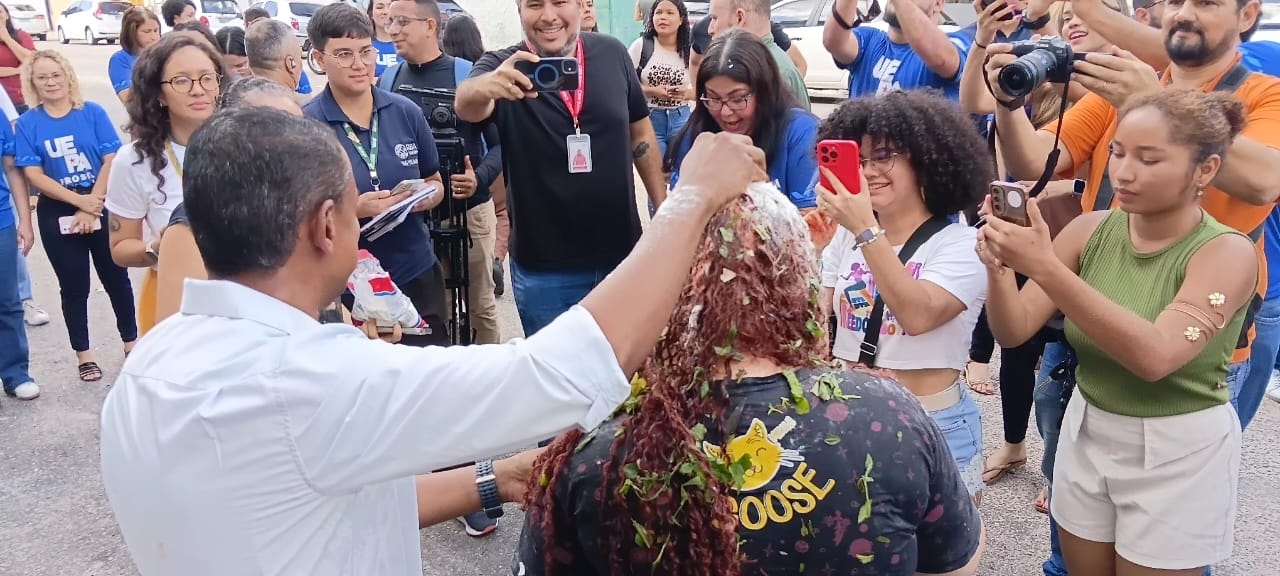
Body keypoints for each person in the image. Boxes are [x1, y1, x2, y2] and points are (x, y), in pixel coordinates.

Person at [99, 103, 769, 575]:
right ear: (326, 227)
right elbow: (563, 371)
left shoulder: (156, 358)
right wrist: (692, 198)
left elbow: (328, 499)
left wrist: (498, 478)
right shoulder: (304, 380)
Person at [513, 182, 985, 576]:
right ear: (800, 282)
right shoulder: (890, 416)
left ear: (667, 290)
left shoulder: (598, 449)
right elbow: (955, 563)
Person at [980, 88, 1255, 576]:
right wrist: (1000, 268)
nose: (1123, 172)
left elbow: (1156, 357)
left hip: (1177, 448)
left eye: (1149, 159)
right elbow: (1014, 330)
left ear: (1205, 169)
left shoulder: (1226, 252)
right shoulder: (1090, 229)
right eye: (1118, 153)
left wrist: (1045, 267)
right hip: (1089, 426)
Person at [985, 0, 1280, 434]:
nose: (1183, 13)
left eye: (1205, 2)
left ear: (1248, 15)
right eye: (1174, 1)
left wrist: (1153, 102)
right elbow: (1033, 159)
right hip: (1093, 310)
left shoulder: (1263, 94)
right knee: (1064, 440)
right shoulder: (1126, 88)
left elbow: (1264, 180)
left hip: (1200, 343)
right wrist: (1008, 103)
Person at [816, 90, 991, 501]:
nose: (868, 171)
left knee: (940, 544)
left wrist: (864, 228)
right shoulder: (845, 235)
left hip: (933, 423)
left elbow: (918, 314)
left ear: (927, 158)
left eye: (883, 156)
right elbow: (816, 319)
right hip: (851, 418)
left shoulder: (962, 244)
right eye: (859, 160)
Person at [456, 0, 666, 337]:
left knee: (625, 364)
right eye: (535, 4)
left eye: (559, 2)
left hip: (621, 257)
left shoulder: (612, 53)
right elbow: (466, 104)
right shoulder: (503, 67)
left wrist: (662, 208)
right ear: (519, 9)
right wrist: (486, 86)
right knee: (555, 368)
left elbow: (640, 132)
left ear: (580, 5)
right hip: (544, 272)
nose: (549, 16)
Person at [303, 3, 451, 346]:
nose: (359, 64)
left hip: (416, 271)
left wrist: (421, 197)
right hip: (348, 284)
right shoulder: (307, 125)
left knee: (430, 368)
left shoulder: (405, 111)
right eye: (344, 54)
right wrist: (354, 210)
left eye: (365, 51)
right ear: (319, 59)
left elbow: (435, 181)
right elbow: (297, 216)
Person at [380, 0, 503, 352]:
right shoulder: (388, 80)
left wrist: (479, 178)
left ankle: (489, 373)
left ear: (430, 25)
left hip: (471, 213)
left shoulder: (468, 76)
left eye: (402, 21)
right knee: (436, 311)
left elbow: (501, 145)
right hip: (416, 222)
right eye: (390, 22)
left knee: (480, 307)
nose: (393, 30)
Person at [16, 50, 137, 383]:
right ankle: (84, 355)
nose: (51, 82)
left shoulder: (92, 112)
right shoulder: (28, 123)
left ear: (67, 76)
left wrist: (91, 202)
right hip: (58, 209)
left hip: (100, 200)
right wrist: (78, 203)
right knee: (74, 286)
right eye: (42, 77)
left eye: (56, 74)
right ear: (33, 83)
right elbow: (33, 174)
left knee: (117, 278)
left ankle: (131, 343)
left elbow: (111, 158)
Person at [155, 77, 304, 325]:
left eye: (300, 130)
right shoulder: (193, 228)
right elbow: (178, 337)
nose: (295, 144)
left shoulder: (305, 207)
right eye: (273, 130)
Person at [106, 34, 224, 337]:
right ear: (158, 94)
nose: (198, 89)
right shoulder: (133, 161)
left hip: (244, 294)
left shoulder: (247, 144)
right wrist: (158, 248)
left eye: (207, 78)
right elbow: (120, 248)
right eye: (182, 81)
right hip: (175, 299)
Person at [667, 30, 817, 210]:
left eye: (737, 99)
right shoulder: (698, 132)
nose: (725, 112)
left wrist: (760, 195)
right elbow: (677, 210)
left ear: (765, 93)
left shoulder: (802, 133)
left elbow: (813, 220)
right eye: (713, 98)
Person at [824, 0, 983, 100]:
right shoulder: (870, 39)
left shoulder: (956, 44)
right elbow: (834, 42)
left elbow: (942, 59)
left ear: (938, 3)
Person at [705, 0, 810, 111]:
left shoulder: (770, 73)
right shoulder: (768, 65)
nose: (710, 29)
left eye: (714, 18)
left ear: (739, 18)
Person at [629, 0, 694, 161]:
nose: (662, 17)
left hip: (682, 119)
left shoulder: (690, 50)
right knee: (657, 172)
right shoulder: (641, 46)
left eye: (669, 13)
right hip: (650, 119)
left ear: (681, 20)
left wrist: (686, 93)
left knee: (682, 171)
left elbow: (702, 91)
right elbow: (626, 85)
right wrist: (652, 91)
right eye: (658, 13)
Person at [0, 86, 33, 404]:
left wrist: (24, 218)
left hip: (1, 221)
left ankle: (16, 374)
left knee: (8, 301)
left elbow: (11, 167)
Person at [689, 13, 807, 81]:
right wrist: (698, 93)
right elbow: (694, 62)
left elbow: (800, 63)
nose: (710, 29)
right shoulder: (701, 28)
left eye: (716, 19)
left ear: (740, 16)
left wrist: (783, 97)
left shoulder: (765, 28)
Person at [109, 7, 162, 104]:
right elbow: (129, 101)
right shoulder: (120, 60)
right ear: (132, 32)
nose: (154, 37)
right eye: (147, 31)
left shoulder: (165, 54)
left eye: (156, 31)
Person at [246, 18, 307, 92]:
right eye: (299, 57)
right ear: (290, 64)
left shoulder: (237, 96)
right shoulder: (297, 100)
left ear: (248, 63)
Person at [0, 2, 34, 115]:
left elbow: (33, 61)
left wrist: (7, 38)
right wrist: (18, 70)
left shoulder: (22, 36)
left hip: (21, 101)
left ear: (7, 15)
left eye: (0, 12)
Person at [368, 0, 399, 78]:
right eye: (379, 7)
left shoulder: (407, 43)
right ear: (371, 13)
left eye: (390, 6)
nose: (385, 12)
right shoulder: (365, 44)